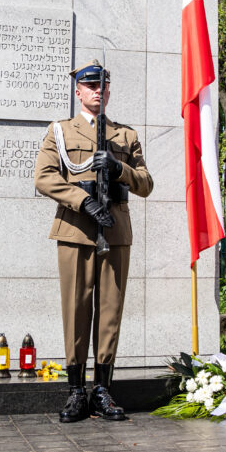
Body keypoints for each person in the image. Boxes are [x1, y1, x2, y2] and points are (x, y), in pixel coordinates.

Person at [34, 59, 153, 423]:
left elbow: (146, 183)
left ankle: (102, 389)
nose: (98, 91)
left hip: (115, 232)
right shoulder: (59, 131)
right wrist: (83, 201)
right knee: (76, 310)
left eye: (103, 85)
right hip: (76, 229)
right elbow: (44, 177)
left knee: (109, 312)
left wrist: (120, 169)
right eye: (91, 85)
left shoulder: (125, 136)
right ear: (78, 91)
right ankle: (75, 391)